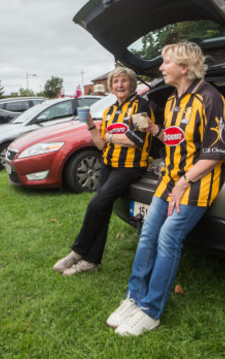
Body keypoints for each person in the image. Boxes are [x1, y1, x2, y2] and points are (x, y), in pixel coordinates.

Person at [106, 42, 225, 336]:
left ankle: (151, 311)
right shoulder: (174, 100)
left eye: (166, 63)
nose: (161, 67)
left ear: (184, 68)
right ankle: (134, 298)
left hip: (196, 184)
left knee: (168, 236)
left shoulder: (211, 98)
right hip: (170, 180)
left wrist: (184, 182)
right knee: (148, 233)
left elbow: (216, 152)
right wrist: (156, 131)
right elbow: (176, 140)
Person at [53, 67, 154, 276]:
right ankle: (91, 262)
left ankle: (77, 252)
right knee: (103, 210)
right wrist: (91, 126)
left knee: (96, 204)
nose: (119, 85)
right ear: (111, 86)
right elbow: (100, 146)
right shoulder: (109, 111)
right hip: (108, 165)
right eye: (115, 82)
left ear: (132, 84)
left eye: (124, 81)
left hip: (129, 167)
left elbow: (136, 140)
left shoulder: (141, 107)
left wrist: (108, 137)